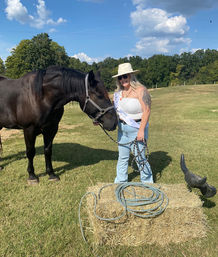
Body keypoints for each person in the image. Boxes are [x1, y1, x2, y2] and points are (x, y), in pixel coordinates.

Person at [112, 63, 153, 183]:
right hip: (122, 130)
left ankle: (148, 182)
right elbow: (113, 111)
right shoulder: (118, 93)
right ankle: (120, 181)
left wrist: (141, 131)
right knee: (122, 158)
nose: (122, 79)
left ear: (131, 76)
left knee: (140, 158)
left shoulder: (141, 90)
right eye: (120, 77)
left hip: (137, 129)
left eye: (125, 76)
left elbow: (147, 110)